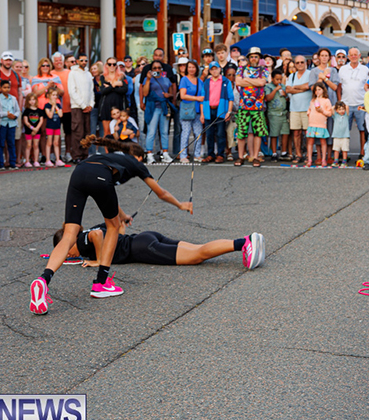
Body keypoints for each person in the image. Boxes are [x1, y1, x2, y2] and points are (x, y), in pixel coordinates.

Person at [28, 135, 194, 315]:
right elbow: (161, 193)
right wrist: (180, 204)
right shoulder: (136, 163)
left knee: (70, 234)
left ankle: (44, 280)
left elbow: (109, 197)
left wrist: (123, 216)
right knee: (113, 227)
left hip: (79, 172)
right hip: (99, 177)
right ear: (137, 157)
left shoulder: (111, 158)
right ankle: (101, 283)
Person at [57, 223, 265, 270]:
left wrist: (100, 261)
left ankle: (244, 243)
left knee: (196, 256)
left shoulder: (82, 239)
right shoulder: (91, 227)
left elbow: (96, 235)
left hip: (142, 247)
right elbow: (117, 228)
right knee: (198, 249)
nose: (69, 254)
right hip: (145, 237)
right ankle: (244, 242)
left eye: (66, 251)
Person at [234, 47, 269, 167]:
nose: (253, 58)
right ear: (249, 58)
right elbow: (238, 82)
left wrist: (246, 80)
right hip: (243, 105)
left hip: (258, 106)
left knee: (258, 132)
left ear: (259, 58)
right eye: (252, 56)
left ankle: (255, 157)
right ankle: (240, 156)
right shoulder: (241, 68)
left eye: (256, 56)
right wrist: (254, 81)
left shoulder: (263, 70)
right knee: (241, 132)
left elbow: (262, 83)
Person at [307, 48, 340, 164]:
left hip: (330, 102)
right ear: (319, 57)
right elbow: (312, 87)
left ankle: (329, 155)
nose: (324, 58)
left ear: (329, 58)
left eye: (326, 55)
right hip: (317, 104)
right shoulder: (314, 71)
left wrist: (325, 78)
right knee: (318, 127)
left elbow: (335, 87)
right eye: (322, 55)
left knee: (330, 128)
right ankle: (319, 156)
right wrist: (321, 77)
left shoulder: (334, 71)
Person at [339, 48, 369, 158]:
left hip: (360, 104)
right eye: (351, 55)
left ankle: (362, 152)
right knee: (344, 130)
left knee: (362, 130)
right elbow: (339, 86)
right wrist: (340, 102)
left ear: (359, 55)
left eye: (355, 55)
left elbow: (368, 86)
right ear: (348, 56)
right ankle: (344, 154)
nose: (353, 57)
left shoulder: (365, 69)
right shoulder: (343, 69)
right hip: (346, 104)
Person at [200, 62, 234, 164]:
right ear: (210, 71)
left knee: (220, 133)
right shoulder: (206, 82)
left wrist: (229, 111)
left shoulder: (225, 81)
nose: (214, 71)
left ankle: (220, 154)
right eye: (212, 69)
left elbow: (230, 98)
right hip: (208, 109)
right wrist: (202, 114)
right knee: (209, 133)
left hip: (220, 110)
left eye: (216, 68)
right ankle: (210, 154)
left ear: (220, 69)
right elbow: (202, 98)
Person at [142, 59, 173, 164]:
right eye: (154, 68)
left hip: (163, 107)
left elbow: (170, 92)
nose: (157, 70)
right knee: (151, 132)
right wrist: (147, 80)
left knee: (164, 132)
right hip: (153, 107)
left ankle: (165, 153)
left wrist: (168, 95)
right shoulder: (148, 79)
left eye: (159, 68)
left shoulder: (165, 79)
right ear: (151, 69)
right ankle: (149, 154)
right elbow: (145, 93)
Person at [68, 53, 94, 162]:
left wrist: (90, 105)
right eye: (81, 60)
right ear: (77, 61)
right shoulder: (73, 73)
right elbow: (72, 91)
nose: (84, 62)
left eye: (85, 60)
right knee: (78, 132)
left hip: (87, 107)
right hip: (77, 107)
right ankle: (77, 156)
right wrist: (83, 105)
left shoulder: (88, 74)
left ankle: (85, 155)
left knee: (86, 132)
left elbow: (91, 91)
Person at [286, 55, 311, 164]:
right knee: (296, 133)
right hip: (294, 108)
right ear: (295, 64)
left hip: (307, 108)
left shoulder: (310, 74)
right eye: (298, 63)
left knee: (307, 133)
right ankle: (298, 154)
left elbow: (308, 86)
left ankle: (308, 155)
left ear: (305, 63)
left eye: (302, 62)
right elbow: (287, 89)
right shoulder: (291, 76)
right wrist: (302, 88)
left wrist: (295, 88)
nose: (300, 64)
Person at [0, 79, 19, 169]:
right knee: (1, 144)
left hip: (11, 124)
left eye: (8, 87)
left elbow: (17, 110)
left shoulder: (13, 98)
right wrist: (6, 114)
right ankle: (1, 163)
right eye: (4, 87)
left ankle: (12, 163)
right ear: (1, 88)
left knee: (11, 143)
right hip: (2, 124)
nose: (7, 89)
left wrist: (14, 116)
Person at [178, 61, 204, 163]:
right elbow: (182, 95)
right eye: (189, 67)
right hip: (187, 110)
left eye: (193, 67)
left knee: (198, 133)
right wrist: (196, 98)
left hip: (197, 110)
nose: (191, 69)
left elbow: (203, 97)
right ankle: (183, 155)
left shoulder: (199, 81)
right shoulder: (184, 80)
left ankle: (197, 154)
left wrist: (202, 113)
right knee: (186, 132)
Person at [98, 57, 129, 145]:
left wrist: (110, 87)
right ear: (106, 65)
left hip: (119, 105)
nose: (112, 66)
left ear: (116, 66)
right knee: (107, 133)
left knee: (120, 131)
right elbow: (103, 91)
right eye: (109, 64)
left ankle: (119, 153)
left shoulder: (122, 76)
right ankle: (108, 154)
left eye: (114, 64)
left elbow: (125, 90)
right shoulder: (102, 77)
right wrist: (114, 85)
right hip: (106, 106)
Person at [50, 52, 73, 158]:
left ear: (63, 61)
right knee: (56, 132)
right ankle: (56, 153)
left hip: (69, 107)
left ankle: (68, 152)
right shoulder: (50, 73)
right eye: (56, 60)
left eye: (60, 60)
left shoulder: (70, 72)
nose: (58, 62)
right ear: (53, 62)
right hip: (55, 108)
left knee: (68, 132)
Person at [305, 82, 332, 167]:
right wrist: (308, 112)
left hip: (321, 124)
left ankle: (324, 159)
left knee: (323, 141)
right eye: (316, 90)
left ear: (323, 90)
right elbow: (310, 109)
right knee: (310, 141)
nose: (317, 92)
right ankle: (309, 159)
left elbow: (329, 113)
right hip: (312, 124)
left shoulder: (326, 101)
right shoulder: (313, 101)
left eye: (319, 89)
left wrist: (322, 111)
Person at [264, 68, 289, 162]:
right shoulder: (268, 87)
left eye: (280, 79)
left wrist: (285, 95)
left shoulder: (283, 86)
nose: (279, 81)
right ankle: (274, 152)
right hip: (274, 114)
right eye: (277, 79)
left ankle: (284, 152)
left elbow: (286, 99)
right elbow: (268, 98)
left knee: (285, 132)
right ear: (272, 79)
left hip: (283, 113)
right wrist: (275, 90)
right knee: (274, 134)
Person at [42, 87, 65, 167]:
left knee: (56, 143)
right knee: (49, 143)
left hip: (57, 126)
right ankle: (48, 160)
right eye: (53, 95)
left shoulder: (58, 105)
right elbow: (50, 115)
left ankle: (58, 159)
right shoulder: (47, 105)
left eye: (56, 95)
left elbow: (61, 114)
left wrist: (56, 106)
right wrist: (53, 106)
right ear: (49, 96)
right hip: (50, 126)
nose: (55, 97)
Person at [21, 93, 44, 168]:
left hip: (37, 130)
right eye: (30, 100)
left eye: (33, 99)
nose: (32, 101)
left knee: (36, 145)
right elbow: (25, 121)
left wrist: (37, 128)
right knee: (28, 145)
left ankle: (36, 160)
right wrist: (32, 128)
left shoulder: (39, 111)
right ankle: (27, 160)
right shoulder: (26, 111)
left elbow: (41, 120)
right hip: (29, 131)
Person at [331, 101, 349, 167]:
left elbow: (347, 107)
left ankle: (344, 161)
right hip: (336, 136)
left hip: (345, 136)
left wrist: (342, 105)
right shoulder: (335, 116)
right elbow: (332, 109)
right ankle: (336, 161)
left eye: (342, 109)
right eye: (339, 109)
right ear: (336, 110)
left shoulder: (346, 115)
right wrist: (335, 107)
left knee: (344, 149)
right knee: (336, 149)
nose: (341, 111)